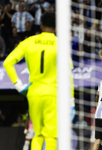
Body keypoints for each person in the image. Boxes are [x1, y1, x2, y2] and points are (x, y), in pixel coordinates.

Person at [4, 12, 57, 150]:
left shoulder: (28, 42)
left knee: (37, 134)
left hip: (33, 93)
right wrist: (70, 99)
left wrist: (17, 84)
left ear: (41, 25)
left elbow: (7, 63)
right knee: (50, 136)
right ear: (56, 27)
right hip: (52, 93)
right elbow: (67, 73)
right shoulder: (60, 44)